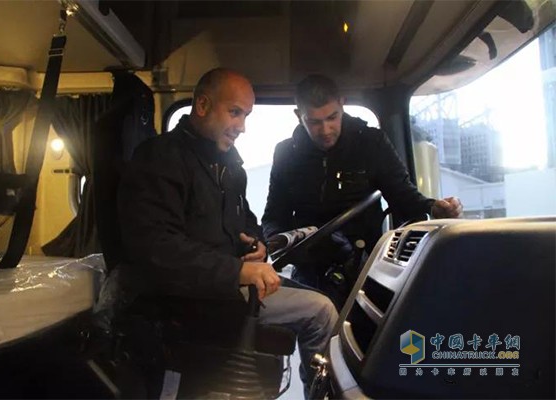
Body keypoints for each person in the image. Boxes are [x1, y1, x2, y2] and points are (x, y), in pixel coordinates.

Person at [117, 68, 338, 395]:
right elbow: (157, 248)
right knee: (322, 311)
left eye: (246, 115)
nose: (242, 126)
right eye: (235, 112)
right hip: (188, 298)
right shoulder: (160, 158)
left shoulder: (229, 165)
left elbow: (246, 219)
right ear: (203, 106)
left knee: (319, 299)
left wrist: (257, 244)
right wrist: (237, 271)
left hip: (224, 287)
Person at [262, 74, 463, 308]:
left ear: (342, 105)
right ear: (299, 116)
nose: (325, 130)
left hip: (364, 262)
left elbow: (403, 195)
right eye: (314, 122)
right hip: (311, 266)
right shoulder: (286, 154)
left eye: (332, 117)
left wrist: (433, 207)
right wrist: (277, 243)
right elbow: (274, 216)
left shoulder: (371, 143)